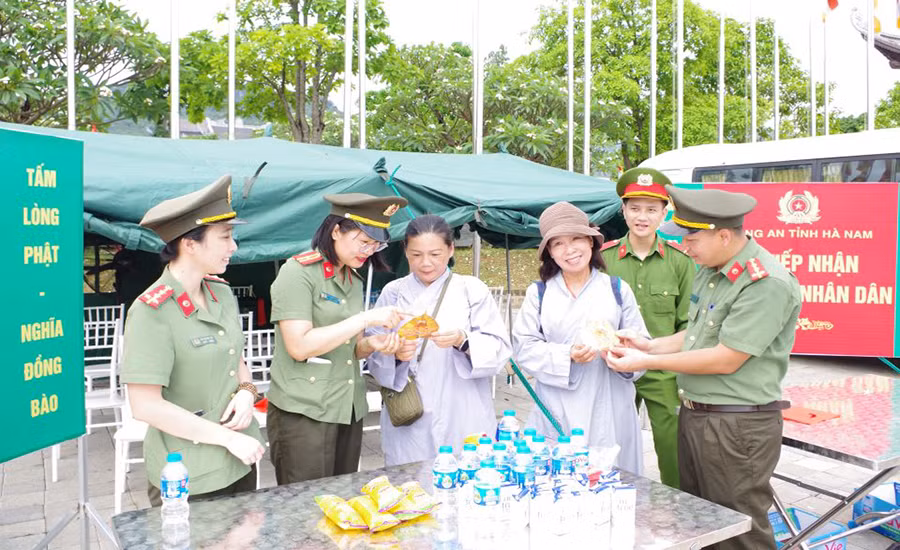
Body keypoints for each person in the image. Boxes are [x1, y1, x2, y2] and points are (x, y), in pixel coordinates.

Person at [605, 185, 802, 550]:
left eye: (691, 238)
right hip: (697, 416)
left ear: (724, 235)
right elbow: (697, 335)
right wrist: (649, 343)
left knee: (740, 529)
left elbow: (727, 357)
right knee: (701, 522)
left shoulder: (765, 283)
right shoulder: (713, 270)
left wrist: (648, 361)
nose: (686, 247)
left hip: (737, 426)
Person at [121, 175, 266, 505]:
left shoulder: (221, 293)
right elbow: (145, 405)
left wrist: (247, 394)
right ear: (189, 243)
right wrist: (226, 439)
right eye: (226, 237)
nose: (234, 247)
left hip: (240, 459)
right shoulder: (151, 310)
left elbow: (235, 359)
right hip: (187, 472)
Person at [267, 193, 411, 484]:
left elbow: (349, 349)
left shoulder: (351, 278)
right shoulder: (299, 273)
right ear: (336, 231)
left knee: (342, 499)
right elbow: (299, 346)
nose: (369, 250)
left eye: (376, 244)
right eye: (363, 241)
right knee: (303, 506)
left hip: (347, 406)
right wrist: (364, 319)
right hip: (305, 411)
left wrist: (372, 345)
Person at [512, 201, 649, 474]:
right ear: (549, 252)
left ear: (591, 242)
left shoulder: (616, 289)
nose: (570, 250)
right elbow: (524, 349)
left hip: (610, 402)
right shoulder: (538, 294)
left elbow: (642, 344)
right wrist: (567, 355)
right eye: (558, 243)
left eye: (576, 239)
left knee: (614, 484)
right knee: (559, 484)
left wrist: (622, 354)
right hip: (557, 405)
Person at [365, 215, 512, 466]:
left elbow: (499, 347)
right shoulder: (393, 292)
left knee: (466, 477)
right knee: (411, 485)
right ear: (405, 251)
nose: (425, 264)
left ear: (451, 248)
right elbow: (373, 349)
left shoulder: (471, 289)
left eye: (435, 254)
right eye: (416, 255)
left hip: (462, 404)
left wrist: (463, 341)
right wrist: (396, 353)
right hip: (411, 405)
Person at [600, 167, 694, 488]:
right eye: (635, 208)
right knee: (612, 444)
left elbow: (687, 324)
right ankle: (614, 501)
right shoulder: (603, 259)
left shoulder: (680, 262)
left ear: (664, 213)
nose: (643, 216)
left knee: (673, 449)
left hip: (662, 370)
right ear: (623, 211)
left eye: (652, 209)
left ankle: (678, 511)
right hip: (614, 367)